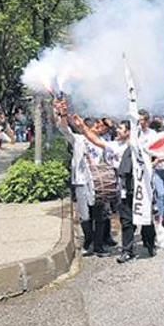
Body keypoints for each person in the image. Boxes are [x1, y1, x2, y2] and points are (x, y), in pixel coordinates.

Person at [54, 99, 112, 257]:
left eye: (99, 127)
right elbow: (64, 128)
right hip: (81, 182)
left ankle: (99, 246)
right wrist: (63, 113)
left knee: (99, 216)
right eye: (95, 127)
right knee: (85, 216)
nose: (98, 129)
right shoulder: (78, 140)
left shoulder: (102, 142)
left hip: (98, 183)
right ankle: (89, 241)